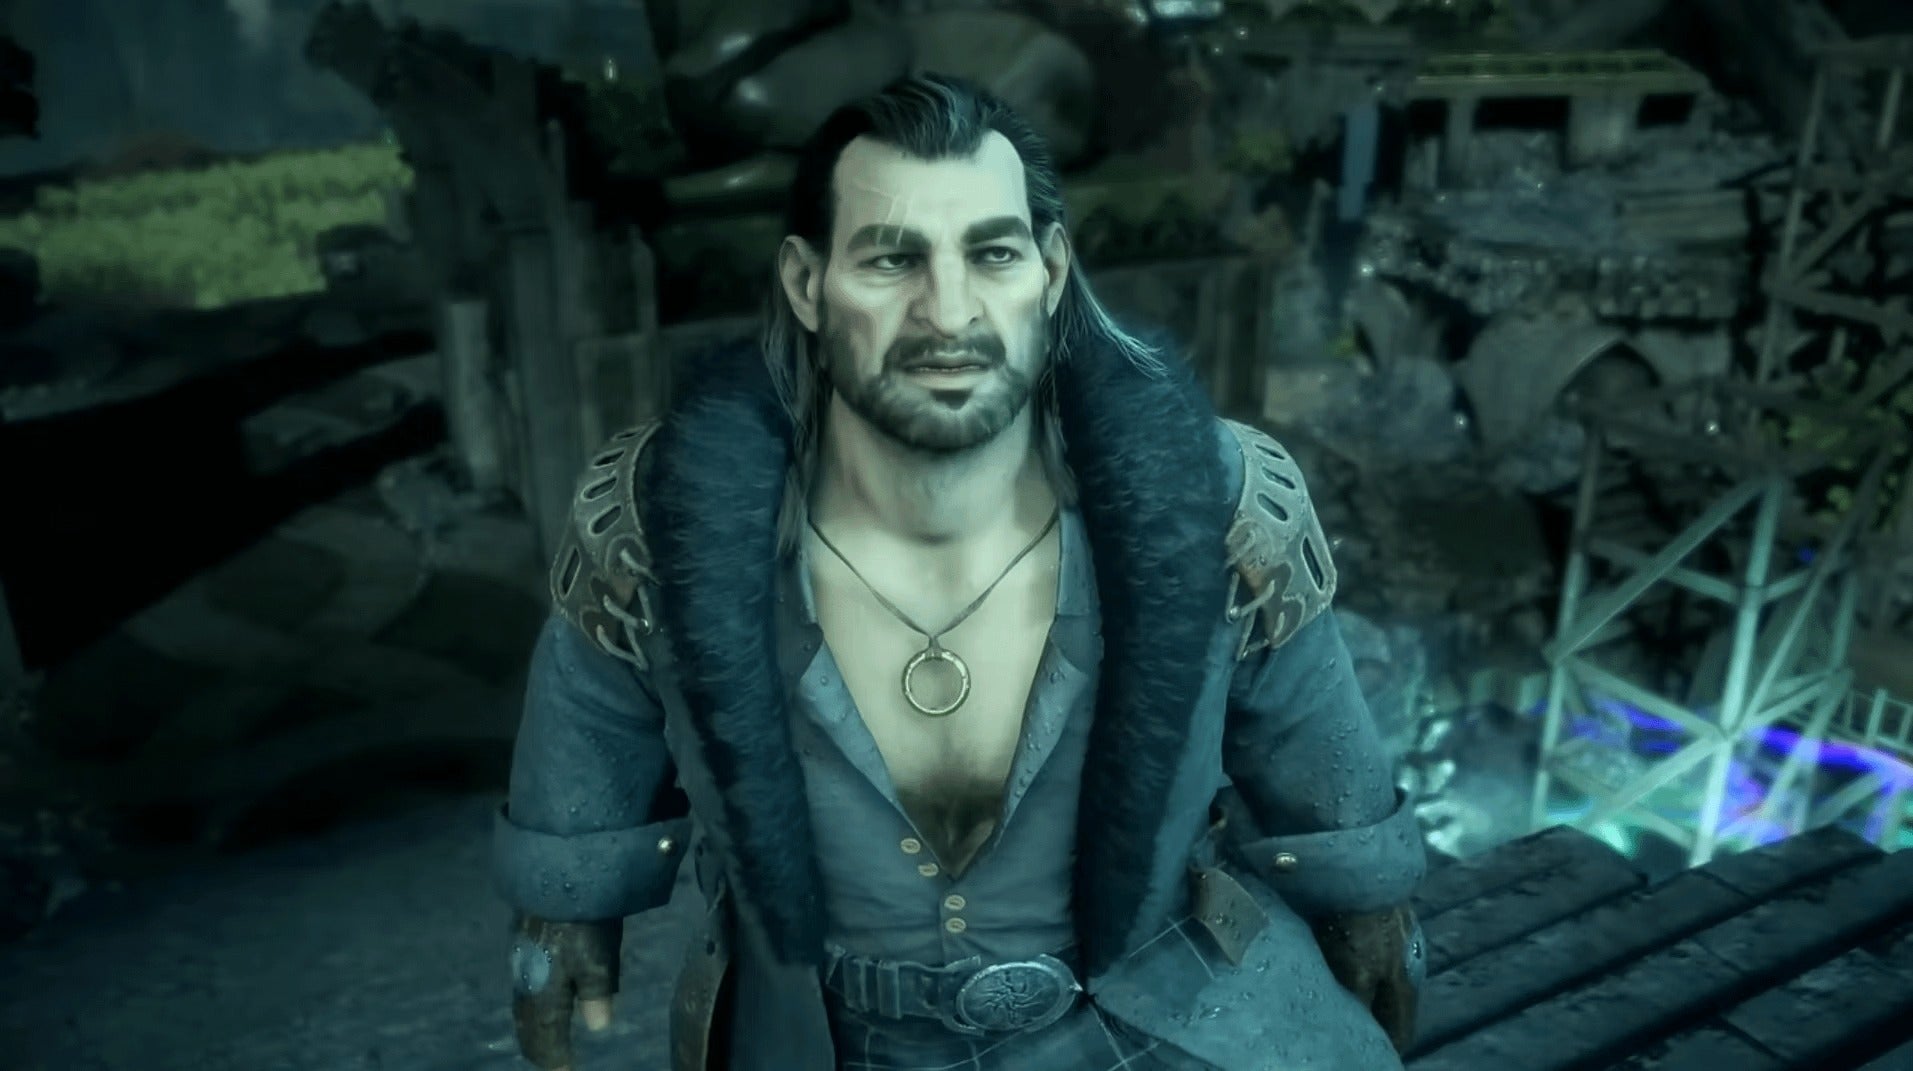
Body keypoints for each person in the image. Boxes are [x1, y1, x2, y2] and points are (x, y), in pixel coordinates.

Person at [493, 72, 1427, 1071]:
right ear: (807, 284)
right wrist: (565, 907)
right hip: (827, 1042)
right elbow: (594, 709)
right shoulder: (658, 519)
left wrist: (1366, 893)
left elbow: (1301, 719)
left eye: (991, 253)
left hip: (1163, 1017)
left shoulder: (1218, 500)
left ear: (1049, 272)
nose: (947, 313)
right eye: (891, 259)